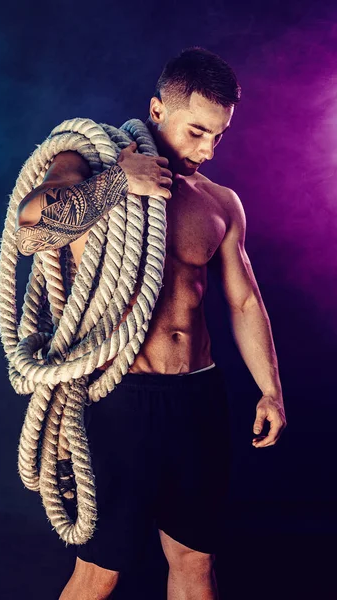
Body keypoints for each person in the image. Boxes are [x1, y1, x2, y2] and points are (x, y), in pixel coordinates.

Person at [15, 46, 287, 600]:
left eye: (219, 135)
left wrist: (270, 390)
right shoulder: (87, 166)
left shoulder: (220, 203)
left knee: (194, 560)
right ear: (157, 110)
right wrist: (120, 181)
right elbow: (32, 226)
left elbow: (243, 302)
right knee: (100, 572)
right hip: (122, 397)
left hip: (198, 398)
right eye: (196, 132)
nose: (208, 150)